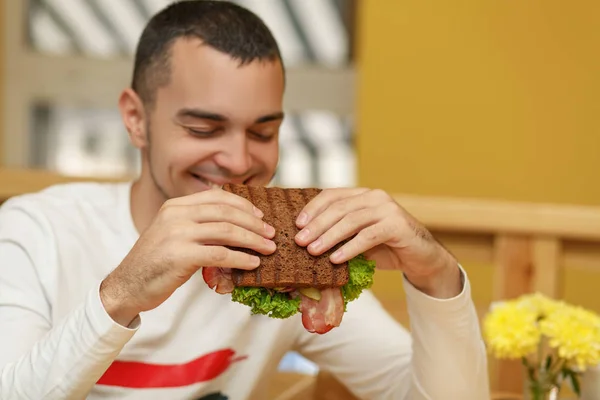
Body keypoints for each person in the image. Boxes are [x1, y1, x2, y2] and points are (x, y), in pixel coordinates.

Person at [0, 1, 490, 399]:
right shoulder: (34, 233)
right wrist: (122, 295)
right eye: (203, 128)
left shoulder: (294, 256)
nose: (238, 160)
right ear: (135, 117)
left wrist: (433, 273)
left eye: (263, 131)